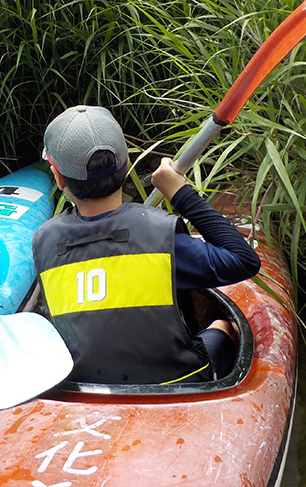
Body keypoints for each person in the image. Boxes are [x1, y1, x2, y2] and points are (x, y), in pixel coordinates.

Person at [33, 105, 261, 384]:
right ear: (128, 163)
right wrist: (179, 193)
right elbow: (244, 260)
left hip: (84, 383)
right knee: (223, 324)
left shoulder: (44, 241)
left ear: (58, 177)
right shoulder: (162, 238)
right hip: (175, 382)